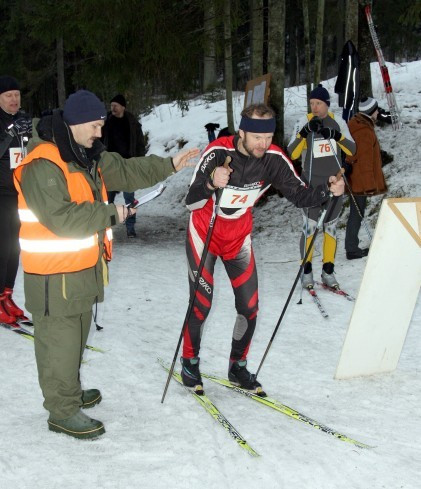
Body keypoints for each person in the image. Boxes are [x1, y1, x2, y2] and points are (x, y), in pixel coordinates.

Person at [13, 89, 198, 439]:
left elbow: (126, 170)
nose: (100, 132)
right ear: (78, 123)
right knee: (59, 340)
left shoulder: (86, 153)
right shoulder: (43, 163)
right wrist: (112, 212)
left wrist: (170, 165)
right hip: (54, 274)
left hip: (80, 267)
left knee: (77, 335)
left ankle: (68, 390)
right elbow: (61, 217)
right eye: (96, 126)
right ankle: (61, 409)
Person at [180, 103, 344, 394]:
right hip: (204, 234)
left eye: (268, 137)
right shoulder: (218, 152)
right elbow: (191, 202)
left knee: (249, 306)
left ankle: (237, 367)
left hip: (237, 237)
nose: (263, 144)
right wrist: (210, 182)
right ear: (242, 131)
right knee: (201, 304)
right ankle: (190, 363)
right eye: (257, 137)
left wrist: (327, 190)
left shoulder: (273, 158)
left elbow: (299, 195)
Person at [287, 84, 356, 289]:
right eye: (311, 104)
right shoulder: (304, 121)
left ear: (326, 104)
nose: (314, 107)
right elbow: (292, 153)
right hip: (311, 186)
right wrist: (304, 133)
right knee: (309, 229)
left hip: (335, 184)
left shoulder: (338, 122)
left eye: (318, 103)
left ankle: (328, 271)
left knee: (331, 229)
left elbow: (352, 150)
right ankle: (306, 271)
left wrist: (336, 135)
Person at [0, 75, 32, 324]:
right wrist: (11, 135)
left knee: (14, 248)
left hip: (17, 193)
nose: (14, 100)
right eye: (8, 95)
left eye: (16, 95)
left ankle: (7, 295)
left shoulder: (22, 120)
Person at [345, 96, 387, 259]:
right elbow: (365, 161)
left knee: (356, 212)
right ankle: (352, 249)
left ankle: (351, 246)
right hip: (360, 180)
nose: (378, 112)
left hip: (355, 177)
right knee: (357, 213)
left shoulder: (358, 125)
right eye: (376, 109)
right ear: (371, 112)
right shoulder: (364, 131)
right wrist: (369, 185)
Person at [102, 94, 146, 237]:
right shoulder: (106, 123)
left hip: (128, 166)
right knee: (107, 199)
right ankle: (106, 226)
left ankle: (130, 228)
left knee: (129, 199)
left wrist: (138, 162)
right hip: (110, 166)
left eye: (115, 105)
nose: (112, 108)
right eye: (111, 105)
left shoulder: (133, 123)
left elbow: (140, 145)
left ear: (123, 107)